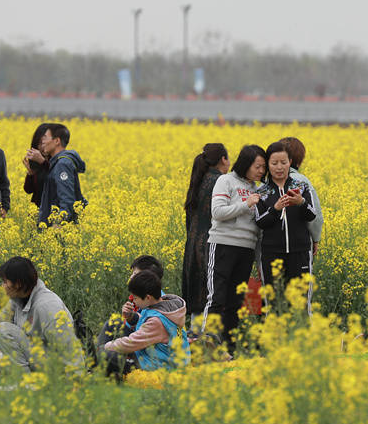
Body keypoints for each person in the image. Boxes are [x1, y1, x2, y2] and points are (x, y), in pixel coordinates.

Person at [202, 144, 266, 351]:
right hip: (222, 244)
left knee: (235, 302)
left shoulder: (257, 189)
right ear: (246, 164)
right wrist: (246, 204)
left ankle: (228, 349)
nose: (261, 171)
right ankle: (208, 344)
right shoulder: (225, 180)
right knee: (216, 297)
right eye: (258, 166)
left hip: (246, 249)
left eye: (263, 167)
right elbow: (217, 212)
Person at [0, 256, 85, 374]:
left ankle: (27, 386)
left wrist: (76, 381)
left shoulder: (46, 306)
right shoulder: (19, 297)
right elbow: (1, 318)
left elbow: (69, 346)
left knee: (3, 330)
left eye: (5, 282)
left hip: (56, 365)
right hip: (39, 355)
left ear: (18, 283)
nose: (2, 286)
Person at [254, 142, 317, 313]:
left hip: (300, 252)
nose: (279, 167)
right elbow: (260, 221)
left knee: (301, 304)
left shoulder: (301, 186)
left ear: (290, 162)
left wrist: (301, 202)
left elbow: (312, 214)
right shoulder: (262, 191)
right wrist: (275, 209)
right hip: (272, 254)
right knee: (273, 304)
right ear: (268, 165)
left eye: (283, 162)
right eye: (274, 163)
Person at [103, 270, 190, 372]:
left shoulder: (157, 321)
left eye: (135, 298)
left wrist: (106, 346)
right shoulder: (167, 308)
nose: (133, 301)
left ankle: (94, 363)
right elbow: (148, 326)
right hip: (164, 359)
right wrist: (132, 317)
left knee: (108, 356)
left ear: (148, 297)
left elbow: (132, 342)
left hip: (159, 366)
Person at [181, 143, 229, 323]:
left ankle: (195, 343)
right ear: (223, 159)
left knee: (198, 303)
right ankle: (207, 344)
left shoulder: (199, 180)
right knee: (211, 299)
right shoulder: (220, 181)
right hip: (210, 246)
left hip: (193, 247)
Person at [96, 255, 166, 377]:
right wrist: (131, 318)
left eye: (135, 274)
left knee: (106, 355)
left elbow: (136, 339)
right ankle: (95, 359)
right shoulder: (152, 298)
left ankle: (95, 359)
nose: (131, 277)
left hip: (147, 359)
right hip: (144, 345)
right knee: (112, 324)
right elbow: (140, 325)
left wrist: (107, 347)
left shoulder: (155, 310)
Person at [279, 137, 323, 255]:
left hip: (271, 246)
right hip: (300, 245)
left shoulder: (268, 181)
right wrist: (316, 238)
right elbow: (315, 215)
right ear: (299, 159)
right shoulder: (302, 181)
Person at [37, 123, 87, 226]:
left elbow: (67, 199)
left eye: (46, 138)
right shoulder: (56, 163)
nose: (43, 141)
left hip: (58, 229)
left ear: (57, 141)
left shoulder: (62, 164)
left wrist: (59, 224)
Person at [22, 122, 55, 207]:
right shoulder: (35, 160)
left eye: (45, 143)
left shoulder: (59, 159)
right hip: (38, 210)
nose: (42, 147)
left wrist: (42, 161)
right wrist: (30, 173)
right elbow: (29, 190)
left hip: (55, 210)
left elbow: (57, 177)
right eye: (39, 143)